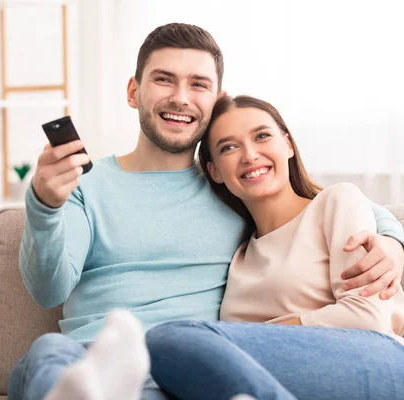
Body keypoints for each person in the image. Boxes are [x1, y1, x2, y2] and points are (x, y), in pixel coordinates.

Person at [7, 23, 404, 400]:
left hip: (188, 363)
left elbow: (328, 205)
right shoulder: (86, 186)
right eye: (163, 79)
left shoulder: (231, 186)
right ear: (133, 92)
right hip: (92, 360)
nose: (181, 97)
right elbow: (49, 290)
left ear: (214, 101)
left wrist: (392, 239)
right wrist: (45, 205)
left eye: (198, 84)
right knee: (46, 352)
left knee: (169, 345)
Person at [146, 95, 404, 400]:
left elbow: (367, 318)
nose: (250, 155)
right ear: (214, 171)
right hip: (297, 383)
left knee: (170, 340)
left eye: (262, 136)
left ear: (288, 145)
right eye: (229, 147)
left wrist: (259, 336)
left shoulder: (337, 201)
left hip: (379, 359)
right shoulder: (239, 257)